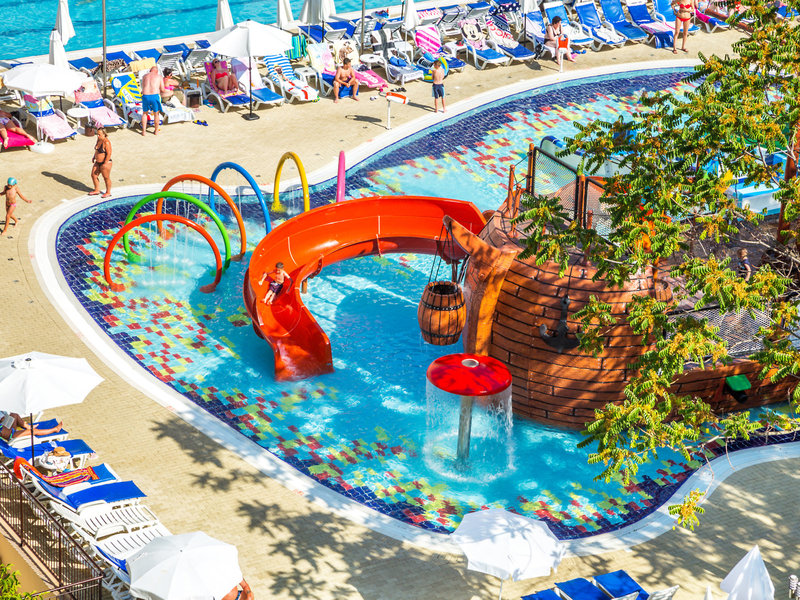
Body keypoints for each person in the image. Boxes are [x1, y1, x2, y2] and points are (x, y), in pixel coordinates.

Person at [141, 66, 166, 136]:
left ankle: (143, 132)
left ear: (150, 70)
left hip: (145, 95)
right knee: (156, 114)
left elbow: (143, 87)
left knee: (144, 114)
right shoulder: (159, 77)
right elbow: (163, 89)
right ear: (157, 71)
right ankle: (156, 131)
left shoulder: (144, 76)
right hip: (154, 96)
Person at [89, 127, 113, 198]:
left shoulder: (106, 142)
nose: (98, 136)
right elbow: (97, 150)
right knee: (94, 175)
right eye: (97, 134)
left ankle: (108, 192)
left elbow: (109, 153)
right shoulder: (99, 140)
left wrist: (105, 163)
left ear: (104, 134)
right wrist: (94, 157)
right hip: (98, 162)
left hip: (105, 163)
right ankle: (97, 190)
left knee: (106, 177)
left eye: (99, 134)